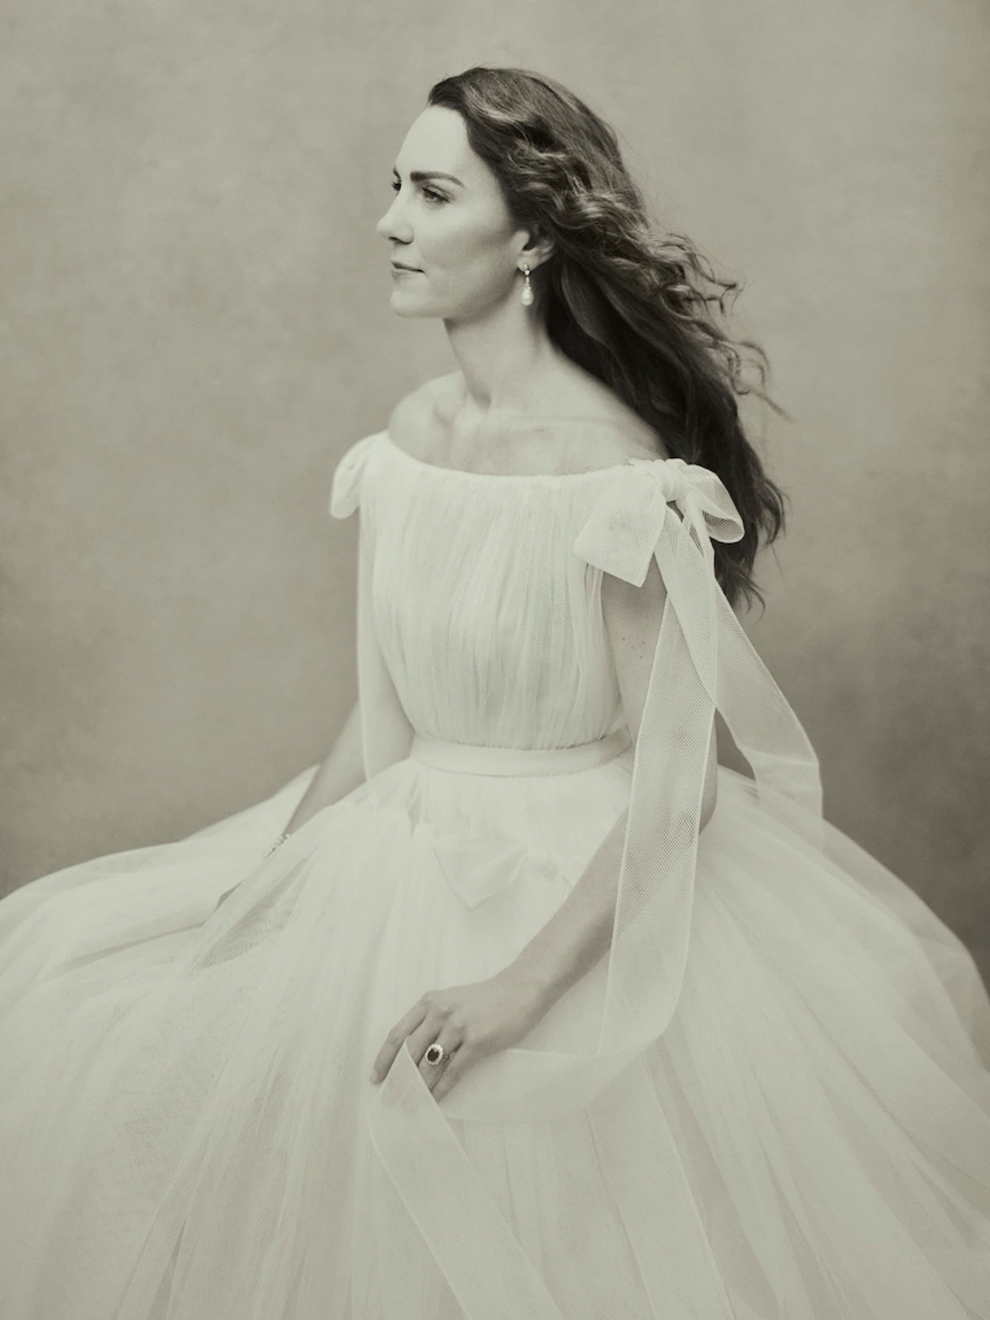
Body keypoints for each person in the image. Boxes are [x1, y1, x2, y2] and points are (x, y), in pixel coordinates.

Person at [1, 64, 989, 1320]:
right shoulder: (409, 435)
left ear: (529, 237)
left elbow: (678, 780)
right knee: (76, 1008)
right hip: (391, 852)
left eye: (431, 193)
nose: (389, 222)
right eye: (394, 187)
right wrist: (270, 889)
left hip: (575, 887)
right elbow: (386, 713)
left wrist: (519, 988)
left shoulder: (611, 472)